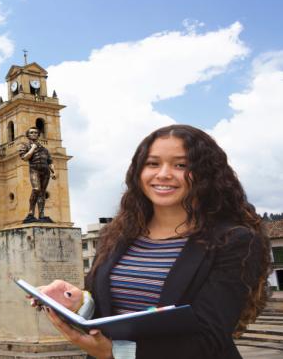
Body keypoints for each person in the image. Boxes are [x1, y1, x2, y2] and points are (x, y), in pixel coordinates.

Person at [29, 125, 271, 359]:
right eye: (152, 163)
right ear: (138, 172)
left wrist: (116, 353)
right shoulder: (119, 234)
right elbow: (108, 311)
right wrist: (75, 302)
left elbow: (210, 335)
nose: (163, 174)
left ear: (207, 174)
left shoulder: (235, 240)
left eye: (181, 165)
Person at [18, 127, 56, 223]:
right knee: (36, 189)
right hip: (34, 170)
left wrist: (53, 171)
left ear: (38, 135)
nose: (34, 134)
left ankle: (41, 215)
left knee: (42, 193)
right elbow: (25, 158)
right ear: (28, 135)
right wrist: (33, 148)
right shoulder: (25, 146)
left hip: (45, 171)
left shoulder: (44, 149)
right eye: (31, 132)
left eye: (35, 132)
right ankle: (31, 213)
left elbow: (50, 161)